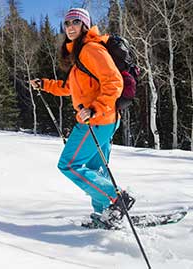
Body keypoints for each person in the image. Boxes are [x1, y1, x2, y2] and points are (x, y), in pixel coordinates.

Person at [30, 8, 134, 226]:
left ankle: (115, 197)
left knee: (69, 164)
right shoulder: (80, 56)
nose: (70, 27)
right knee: (96, 170)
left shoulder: (91, 49)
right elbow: (69, 87)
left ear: (85, 25)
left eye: (75, 22)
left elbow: (114, 82)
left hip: (96, 121)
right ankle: (105, 215)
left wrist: (95, 108)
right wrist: (45, 84)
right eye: (67, 23)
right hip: (106, 121)